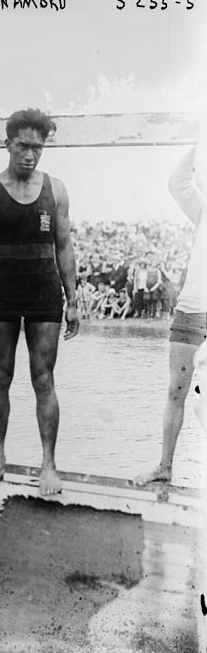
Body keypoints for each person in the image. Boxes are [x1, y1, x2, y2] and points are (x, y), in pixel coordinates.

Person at [0, 108, 79, 497]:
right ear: (7, 144)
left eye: (37, 147)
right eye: (22, 146)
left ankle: (48, 465)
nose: (30, 155)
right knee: (0, 376)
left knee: (44, 379)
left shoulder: (57, 189)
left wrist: (74, 300)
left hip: (45, 291)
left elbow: (64, 246)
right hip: (3, 292)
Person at [134, 146, 207, 485]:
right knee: (176, 392)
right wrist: (200, 139)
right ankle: (164, 468)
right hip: (191, 311)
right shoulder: (204, 208)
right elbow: (178, 182)